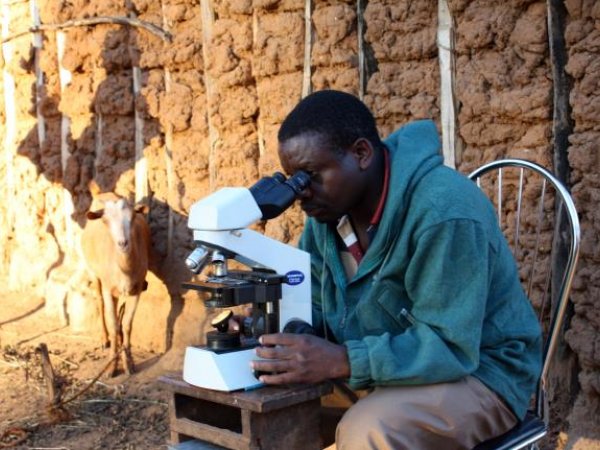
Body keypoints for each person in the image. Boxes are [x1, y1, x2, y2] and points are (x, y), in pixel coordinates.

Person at [249, 90, 542, 450]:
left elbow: (450, 345)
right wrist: (266, 327)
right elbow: (318, 309)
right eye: (293, 179)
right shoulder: (326, 217)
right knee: (262, 412)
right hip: (379, 366)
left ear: (361, 154)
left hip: (481, 372)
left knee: (369, 430)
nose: (301, 193)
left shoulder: (444, 211)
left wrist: (343, 360)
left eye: (310, 175)